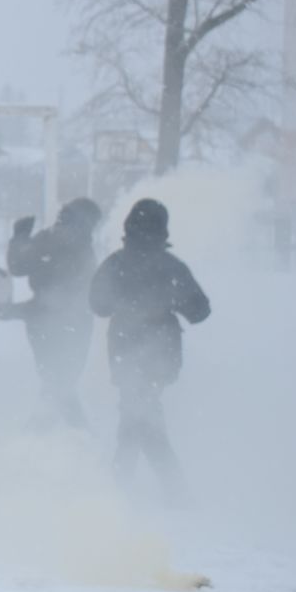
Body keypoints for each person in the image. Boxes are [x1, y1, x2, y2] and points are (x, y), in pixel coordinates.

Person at [89, 198, 210, 503]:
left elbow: (98, 305)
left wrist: (126, 302)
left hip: (124, 351)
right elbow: (200, 311)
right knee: (140, 417)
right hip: (162, 355)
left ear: (128, 226)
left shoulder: (116, 263)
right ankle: (165, 492)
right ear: (163, 230)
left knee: (137, 417)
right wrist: (169, 300)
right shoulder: (171, 267)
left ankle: (124, 491)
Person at [1, 197, 102, 426]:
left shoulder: (48, 238)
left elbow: (18, 266)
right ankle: (58, 432)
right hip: (74, 324)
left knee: (55, 381)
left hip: (44, 323)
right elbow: (83, 290)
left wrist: (19, 237)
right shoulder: (82, 246)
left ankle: (45, 433)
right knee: (61, 381)